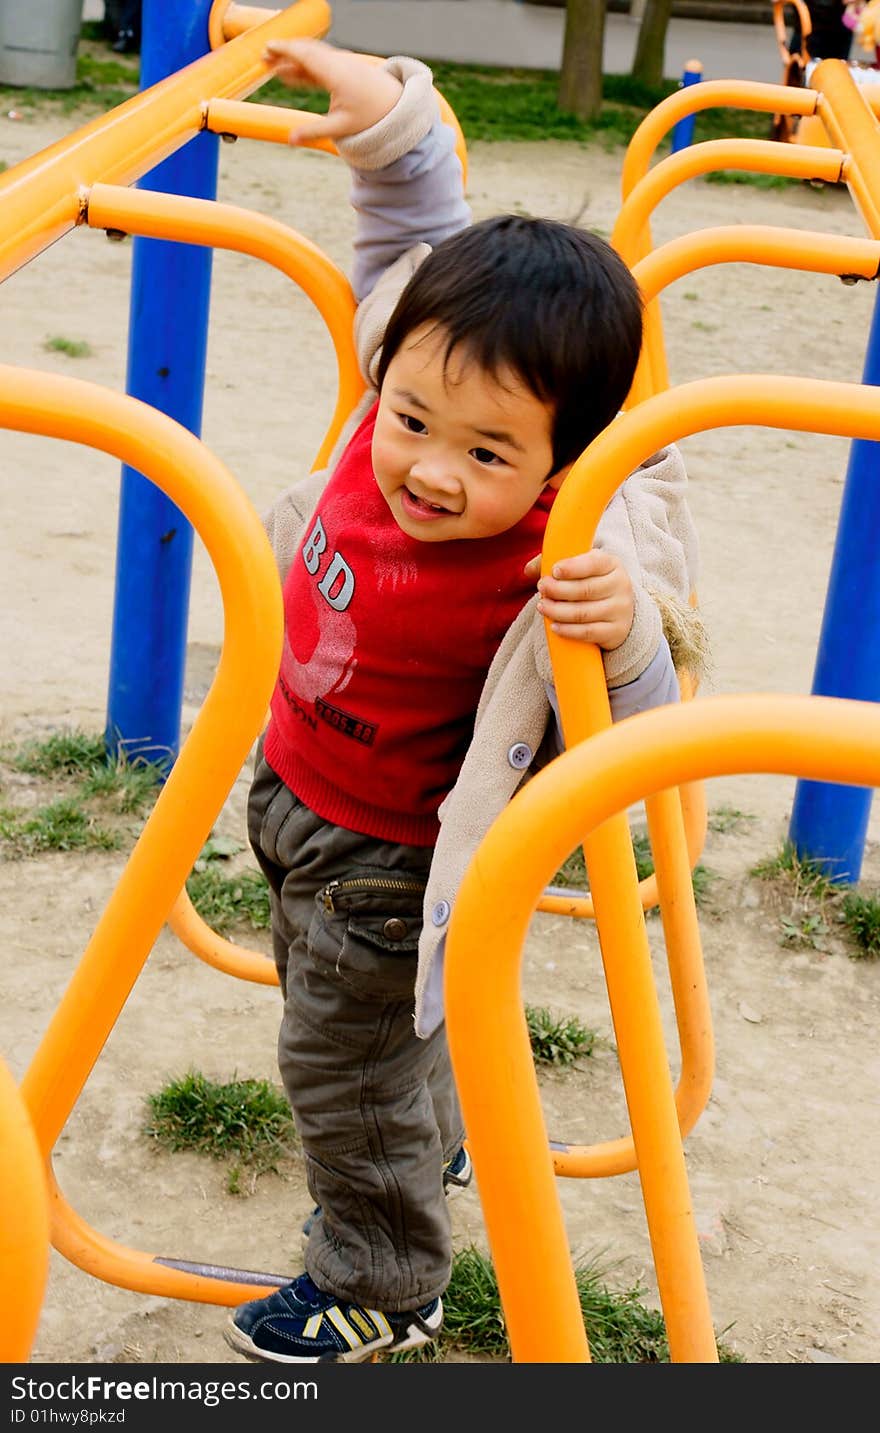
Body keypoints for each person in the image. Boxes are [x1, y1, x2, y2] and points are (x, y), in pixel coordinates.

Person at [223, 37, 704, 1366]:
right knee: (383, 1036)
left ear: (563, 456)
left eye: (489, 453)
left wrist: (624, 639)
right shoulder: (419, 360)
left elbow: (638, 734)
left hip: (391, 857)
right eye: (414, 418)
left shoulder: (551, 573)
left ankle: (382, 1277)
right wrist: (384, 113)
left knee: (341, 1063)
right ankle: (424, 1148)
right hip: (296, 785)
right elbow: (412, 230)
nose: (432, 468)